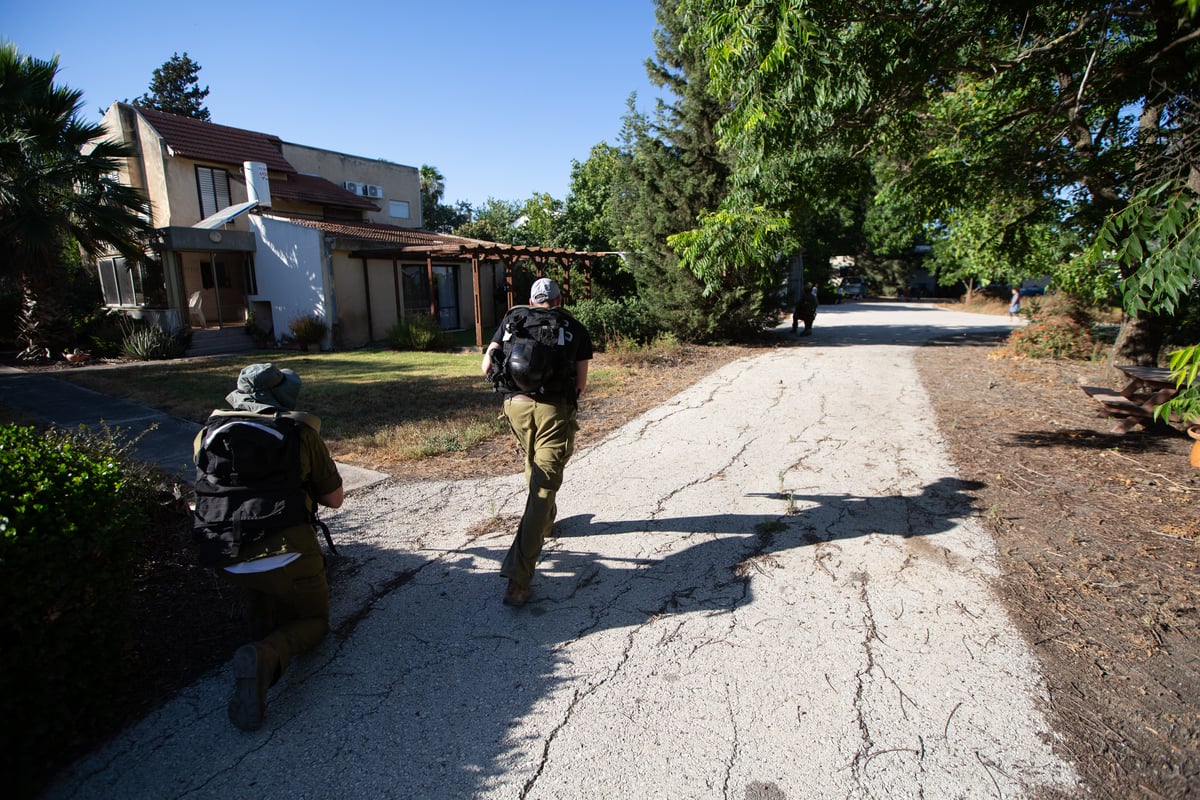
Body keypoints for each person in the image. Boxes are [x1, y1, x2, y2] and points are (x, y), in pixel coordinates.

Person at [193, 363, 344, 731]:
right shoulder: (299, 433)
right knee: (314, 621)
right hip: (289, 551)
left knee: (262, 583)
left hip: (223, 553)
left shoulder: (206, 434)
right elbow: (334, 499)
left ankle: (261, 632)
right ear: (279, 397)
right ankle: (266, 653)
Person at [480, 278, 593, 607]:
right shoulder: (574, 327)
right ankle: (519, 577)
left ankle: (544, 524)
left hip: (514, 406)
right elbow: (581, 384)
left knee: (533, 461)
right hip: (553, 409)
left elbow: (487, 365)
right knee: (544, 484)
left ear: (530, 299)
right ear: (558, 299)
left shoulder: (513, 319)